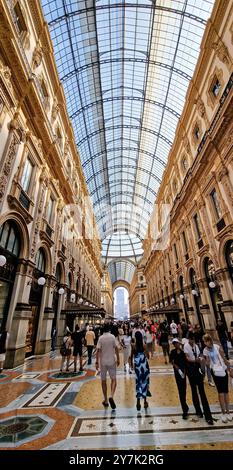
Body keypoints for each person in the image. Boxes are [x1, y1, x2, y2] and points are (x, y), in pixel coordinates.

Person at [184, 332, 213, 425]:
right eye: (191, 339)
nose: (193, 341)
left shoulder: (196, 346)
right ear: (189, 339)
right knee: (194, 391)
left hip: (198, 370)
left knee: (202, 392)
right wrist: (194, 360)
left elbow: (200, 355)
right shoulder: (186, 346)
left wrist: (200, 359)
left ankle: (208, 415)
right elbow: (186, 358)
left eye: (194, 340)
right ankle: (198, 410)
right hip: (191, 371)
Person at [203, 334, 232, 422]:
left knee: (226, 392)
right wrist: (205, 362)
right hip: (215, 372)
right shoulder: (205, 350)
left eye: (208, 340)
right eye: (205, 341)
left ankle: (228, 411)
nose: (207, 342)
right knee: (220, 393)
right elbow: (208, 363)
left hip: (223, 370)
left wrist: (229, 368)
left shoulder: (217, 347)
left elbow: (224, 358)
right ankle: (223, 412)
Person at [96, 323, 120, 409]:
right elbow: (116, 348)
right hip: (112, 361)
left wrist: (96, 362)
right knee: (113, 380)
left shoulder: (101, 338)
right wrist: (118, 358)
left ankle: (106, 400)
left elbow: (98, 350)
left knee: (103, 381)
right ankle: (111, 396)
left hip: (103, 362)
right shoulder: (113, 337)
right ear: (109, 329)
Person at [169, 338, 189, 419]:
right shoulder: (172, 352)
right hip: (177, 374)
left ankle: (185, 405)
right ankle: (184, 409)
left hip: (183, 373)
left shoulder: (183, 352)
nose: (176, 345)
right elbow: (172, 361)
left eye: (177, 343)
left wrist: (184, 372)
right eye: (174, 343)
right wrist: (177, 369)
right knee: (180, 390)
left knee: (184, 389)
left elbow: (185, 363)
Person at [133, 331, 150, 411]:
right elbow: (148, 356)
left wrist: (132, 366)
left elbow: (131, 356)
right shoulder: (144, 345)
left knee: (138, 382)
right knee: (145, 382)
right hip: (144, 365)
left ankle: (138, 402)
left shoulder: (134, 346)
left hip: (137, 366)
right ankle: (145, 402)